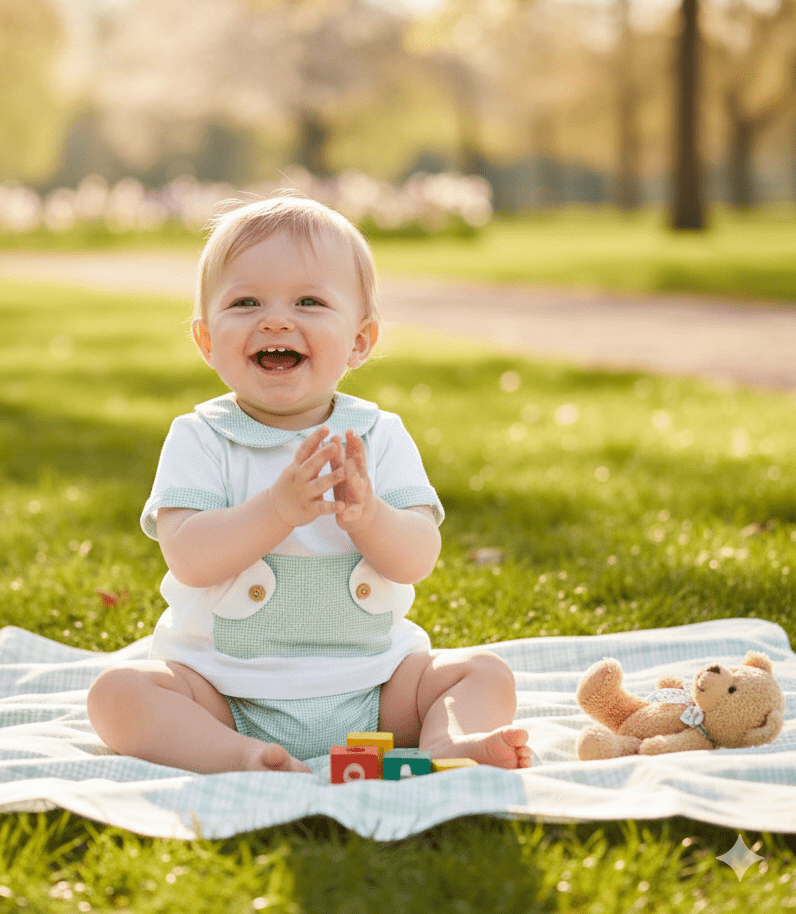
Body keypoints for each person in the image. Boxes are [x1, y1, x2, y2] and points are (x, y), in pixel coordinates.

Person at [87, 196, 532, 774]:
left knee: (483, 672)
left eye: (309, 302)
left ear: (360, 342)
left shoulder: (379, 435)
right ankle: (242, 755)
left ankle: (447, 744)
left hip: (374, 691)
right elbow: (190, 557)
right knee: (117, 694)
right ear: (205, 340)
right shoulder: (199, 436)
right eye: (245, 302)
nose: (275, 320)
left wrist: (371, 516)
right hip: (226, 691)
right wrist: (275, 509)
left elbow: (417, 558)